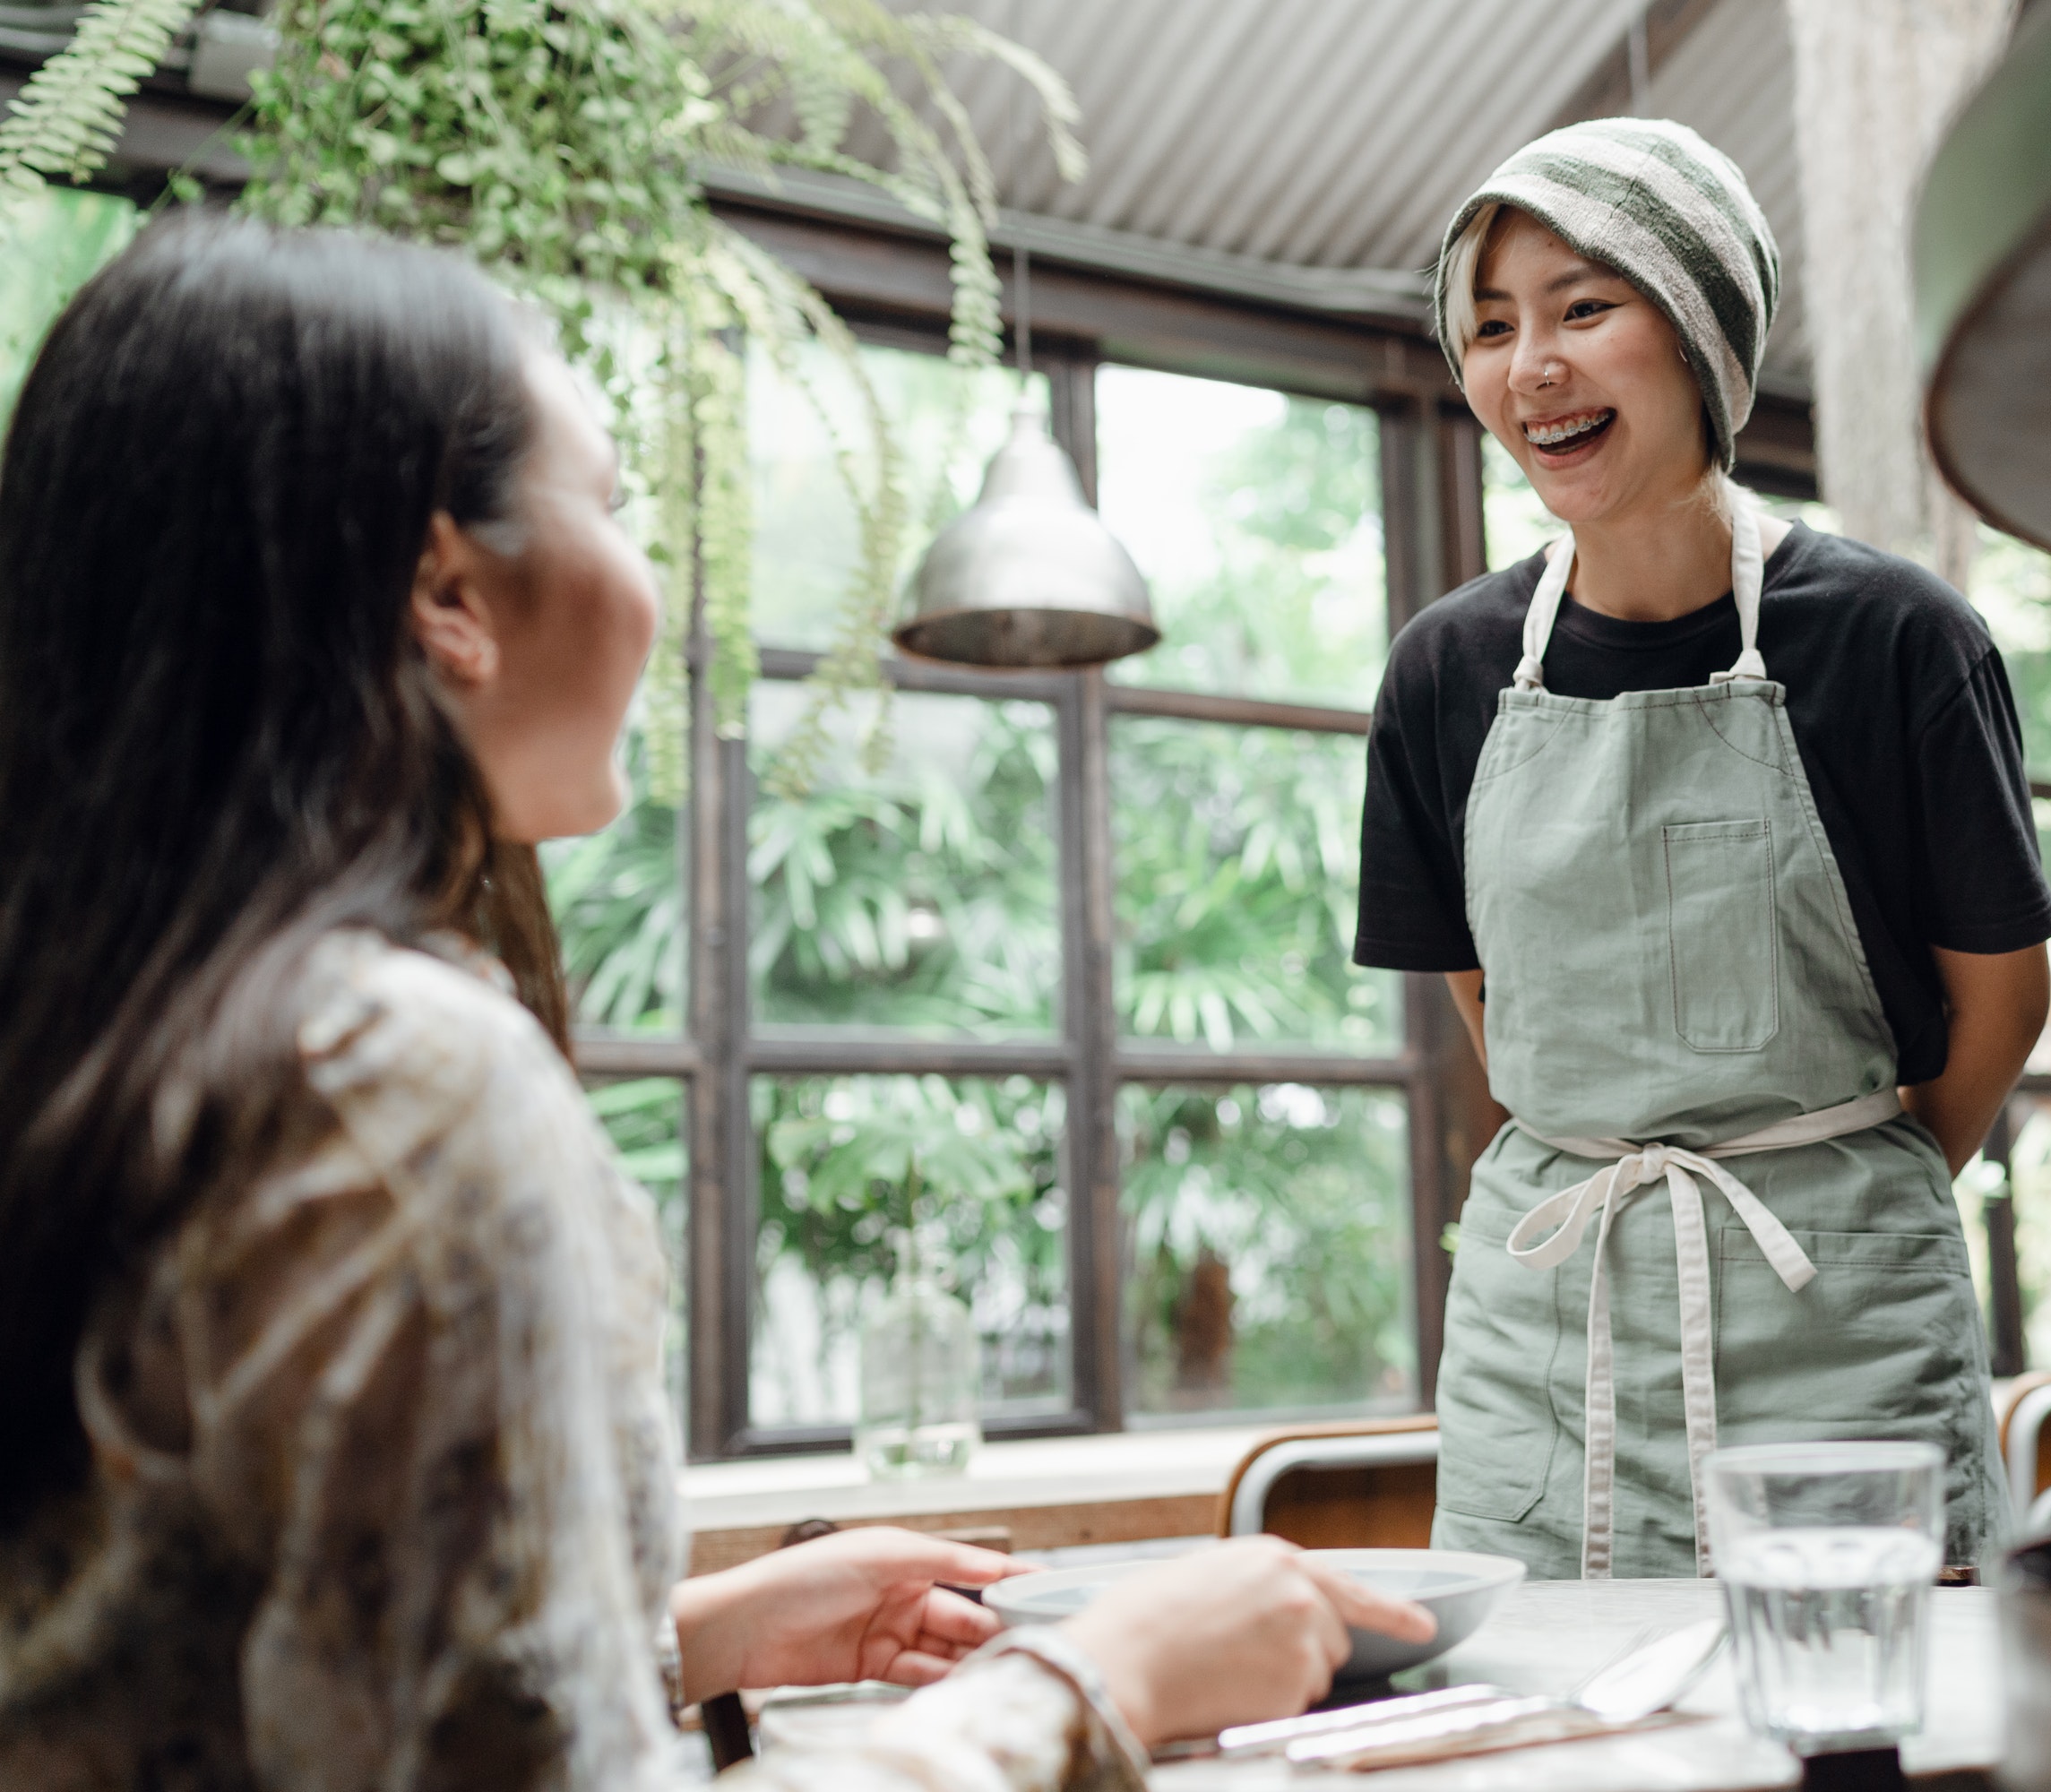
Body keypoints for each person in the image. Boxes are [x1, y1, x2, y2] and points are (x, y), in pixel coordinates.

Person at [0, 212, 1428, 1791]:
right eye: (615, 509)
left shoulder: (132, 1040)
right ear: (446, 591)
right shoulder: (401, 1086)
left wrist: (707, 1627)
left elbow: (250, 1677)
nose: (657, 586)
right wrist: (1096, 1679)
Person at [1356, 120, 2051, 1581]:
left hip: (1838, 1308)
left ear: (1699, 335)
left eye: (1580, 308)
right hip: (1554, 1323)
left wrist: (1856, 1194)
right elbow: (1495, 1007)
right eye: (1489, 328)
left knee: (1861, 1715)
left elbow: (2001, 991)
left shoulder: (1893, 636)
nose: (1527, 363)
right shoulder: (1446, 670)